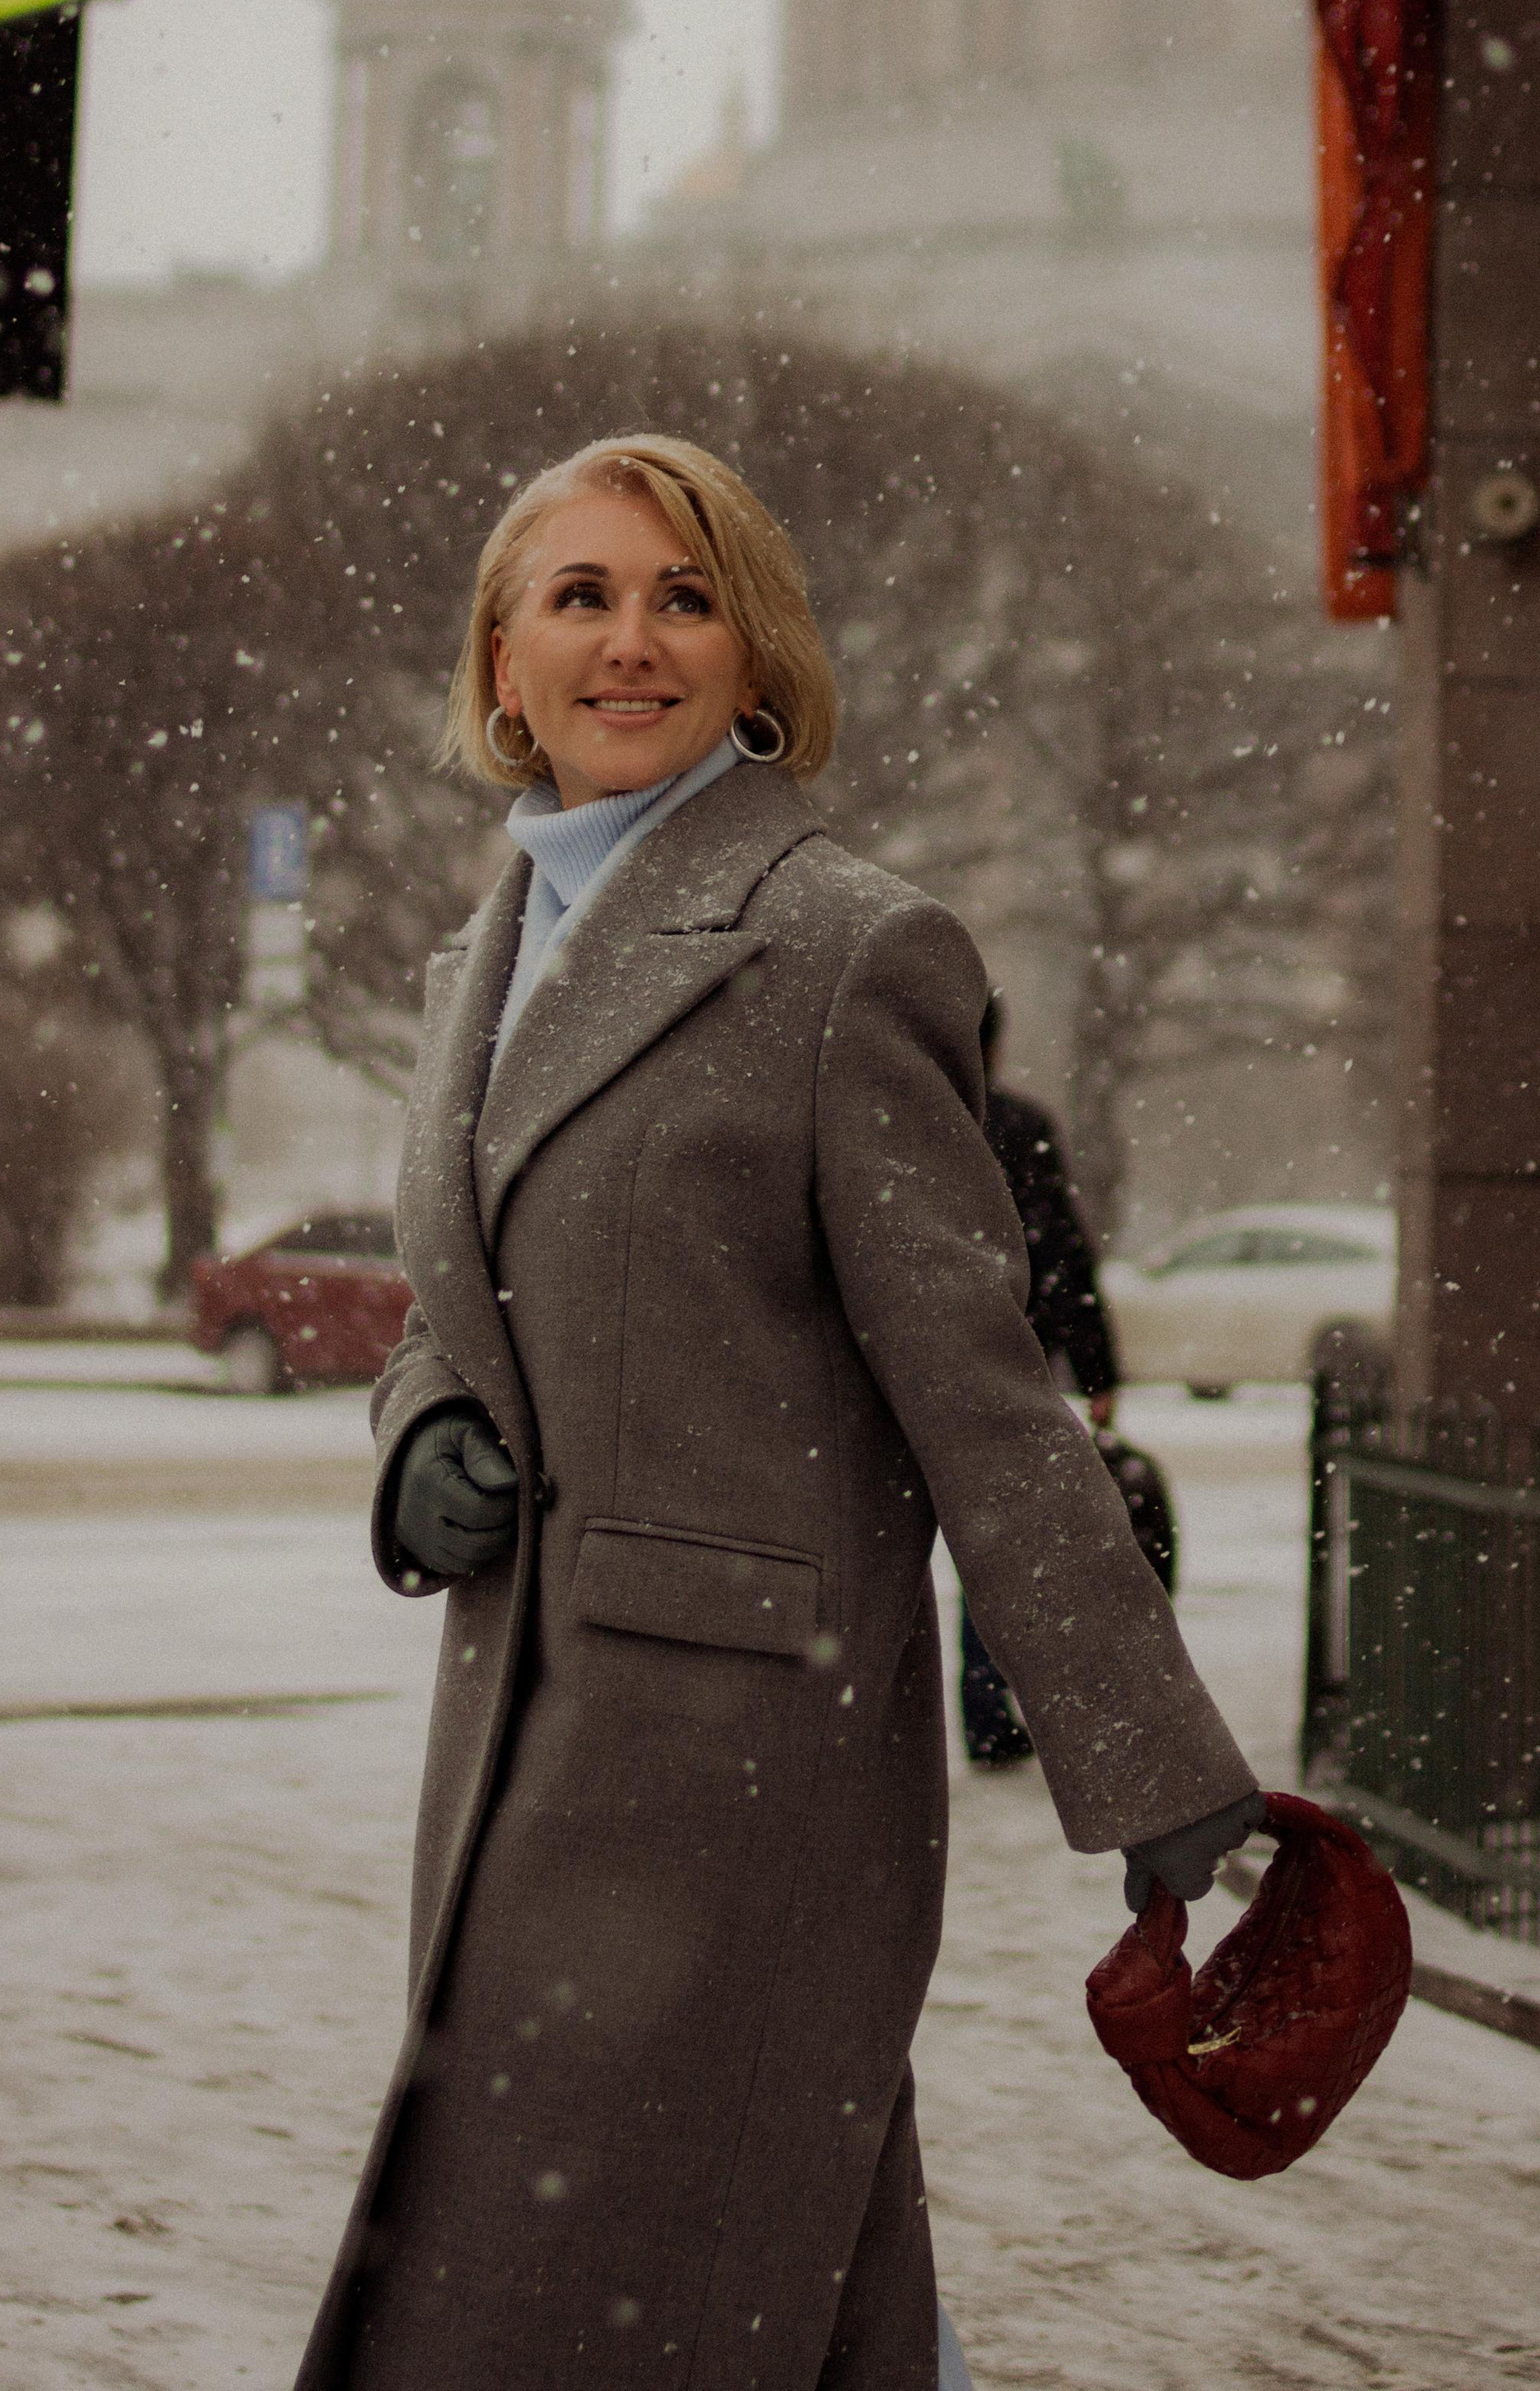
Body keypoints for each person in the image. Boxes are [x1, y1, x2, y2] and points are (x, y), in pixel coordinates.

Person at [293, 435, 1263, 2391]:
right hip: (512, 1748)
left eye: (681, 596)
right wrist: (414, 1440)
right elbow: (461, 1309)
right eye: (578, 596)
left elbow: (977, 1393)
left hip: (733, 1777)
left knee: (597, 2295)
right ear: (502, 657)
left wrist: (1151, 1769)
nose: (628, 639)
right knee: (757, 2287)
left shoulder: (846, 946)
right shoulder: (459, 967)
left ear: (755, 655)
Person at [958, 993, 1122, 1768]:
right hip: (1002, 1362)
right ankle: (986, 1711)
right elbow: (1061, 1252)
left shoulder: (891, 1119)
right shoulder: (1018, 1127)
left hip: (888, 1365)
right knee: (991, 1545)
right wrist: (1096, 1368)